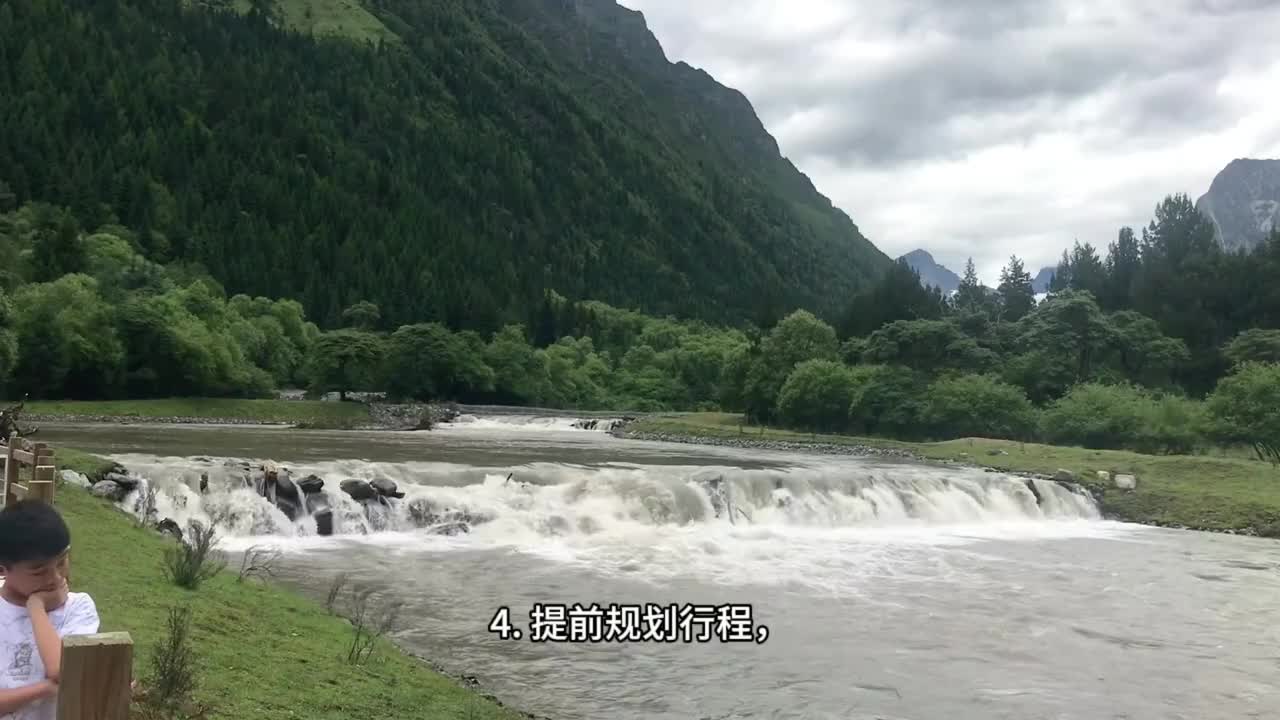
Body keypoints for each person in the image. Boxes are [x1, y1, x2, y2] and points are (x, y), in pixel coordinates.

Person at [0, 500, 99, 720]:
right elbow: (59, 679)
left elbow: (62, 668)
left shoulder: (78, 607)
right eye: (39, 572)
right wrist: (44, 690)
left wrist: (36, 607)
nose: (55, 578)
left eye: (62, 562)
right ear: (3, 570)